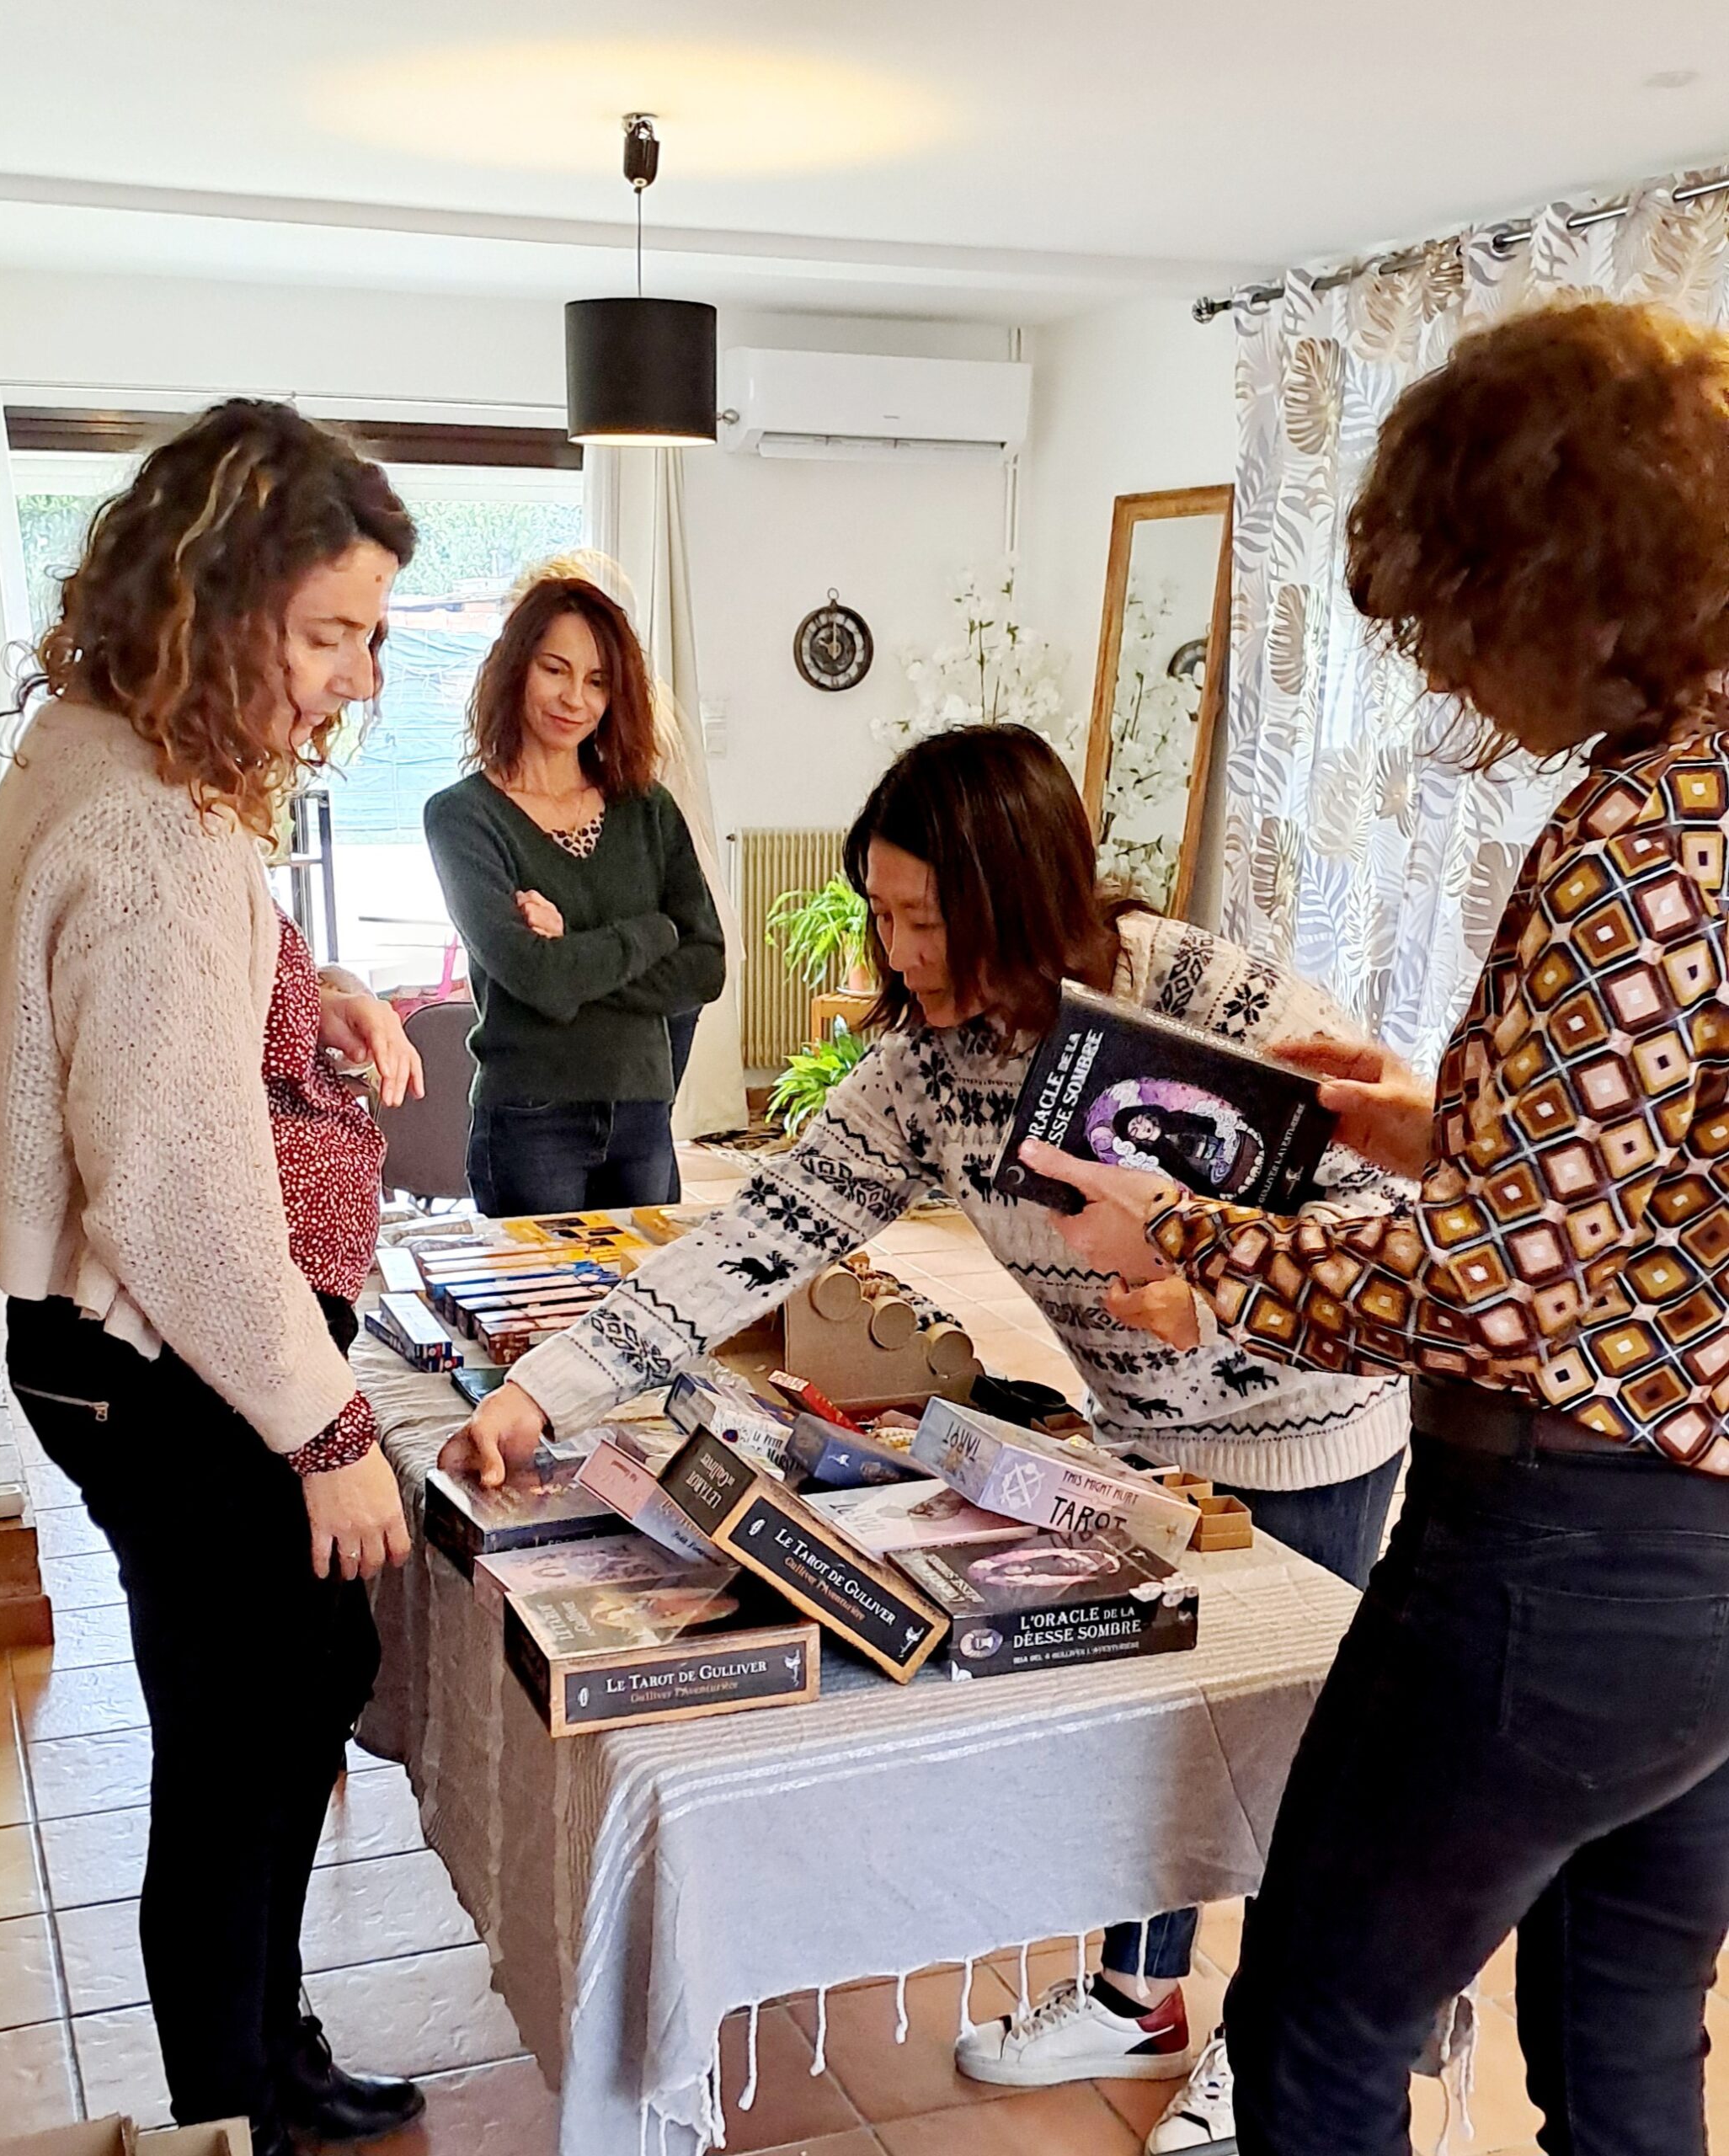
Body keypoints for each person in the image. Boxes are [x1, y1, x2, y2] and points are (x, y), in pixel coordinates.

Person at [444, 722, 1409, 2089]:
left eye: (926, 919)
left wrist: (1219, 1285)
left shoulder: (1199, 991)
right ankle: (1137, 1998)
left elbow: (1381, 1202)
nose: (897, 954)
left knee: (1293, 1766)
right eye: (881, 916)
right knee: (1157, 1733)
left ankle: (1267, 2067)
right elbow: (756, 1236)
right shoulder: (929, 1070)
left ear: (1018, 894)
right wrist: (544, 1391)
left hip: (1307, 1430)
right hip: (1141, 1441)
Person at [1032, 298, 1729, 2156]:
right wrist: (1446, 1126)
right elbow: (1673, 1182)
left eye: (1446, 611)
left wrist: (1197, 1240)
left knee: (1321, 2024)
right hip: (1708, 1549)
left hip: (1565, 1553)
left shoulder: (1639, 836)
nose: (1440, 670)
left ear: (1559, 569)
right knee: (1627, 2046)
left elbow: (1501, 1297)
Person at [0, 401, 426, 2154]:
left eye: (372, 635)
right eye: (329, 633)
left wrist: (313, 991)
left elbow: (185, 992)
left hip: (119, 1353)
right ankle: (239, 2111)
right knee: (241, 1755)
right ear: (217, 602)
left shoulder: (105, 746)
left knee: (281, 1702)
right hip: (170, 1360)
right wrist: (330, 1427)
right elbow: (177, 1201)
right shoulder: (152, 831)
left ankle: (268, 2057)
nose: (358, 679)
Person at [424, 575, 726, 1217]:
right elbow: (536, 977)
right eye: (555, 669)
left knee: (651, 1286)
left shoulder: (648, 807)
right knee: (541, 1290)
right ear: (515, 668)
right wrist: (653, 933)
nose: (574, 699)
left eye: (597, 681)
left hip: (644, 1110)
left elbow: (705, 967)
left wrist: (572, 953)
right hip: (531, 1118)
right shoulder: (463, 816)